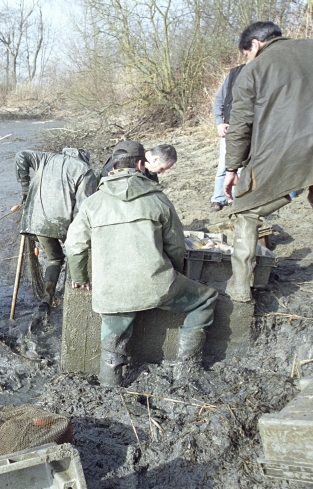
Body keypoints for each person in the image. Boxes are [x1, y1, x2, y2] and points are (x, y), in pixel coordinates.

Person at [66, 141, 218, 387]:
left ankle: (110, 385)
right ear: (140, 164)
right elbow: (177, 246)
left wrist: (80, 277)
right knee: (206, 299)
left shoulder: (92, 204)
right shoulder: (158, 198)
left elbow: (74, 247)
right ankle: (187, 369)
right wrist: (173, 274)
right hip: (158, 285)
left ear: (112, 166)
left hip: (111, 292)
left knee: (114, 338)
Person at [224, 21, 313, 302]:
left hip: (284, 157)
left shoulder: (253, 71)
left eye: (247, 53)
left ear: (255, 44)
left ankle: (239, 289)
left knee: (246, 212)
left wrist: (231, 168)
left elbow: (240, 126)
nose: (248, 59)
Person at [16, 147, 98, 313]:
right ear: (84, 157)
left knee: (54, 259)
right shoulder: (85, 170)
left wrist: (25, 188)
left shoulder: (46, 157)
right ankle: (71, 290)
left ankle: (47, 299)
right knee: (73, 254)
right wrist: (74, 233)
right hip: (63, 222)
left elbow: (21, 155)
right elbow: (83, 207)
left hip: (36, 222)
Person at [209, 64, 246, 212]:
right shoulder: (234, 73)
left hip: (253, 128)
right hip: (231, 127)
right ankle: (218, 199)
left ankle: (237, 200)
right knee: (224, 165)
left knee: (244, 168)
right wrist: (219, 122)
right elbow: (219, 99)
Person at [100, 144, 177, 182]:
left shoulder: (151, 171)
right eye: (162, 168)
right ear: (155, 159)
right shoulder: (125, 162)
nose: (162, 172)